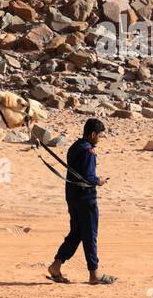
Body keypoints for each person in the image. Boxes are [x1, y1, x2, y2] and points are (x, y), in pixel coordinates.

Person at [47, 118, 117, 286]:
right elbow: (88, 177)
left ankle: (56, 266)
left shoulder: (74, 147)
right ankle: (94, 274)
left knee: (76, 233)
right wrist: (99, 181)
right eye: (99, 135)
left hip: (72, 197)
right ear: (92, 134)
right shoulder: (88, 151)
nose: (100, 139)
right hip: (86, 198)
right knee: (90, 235)